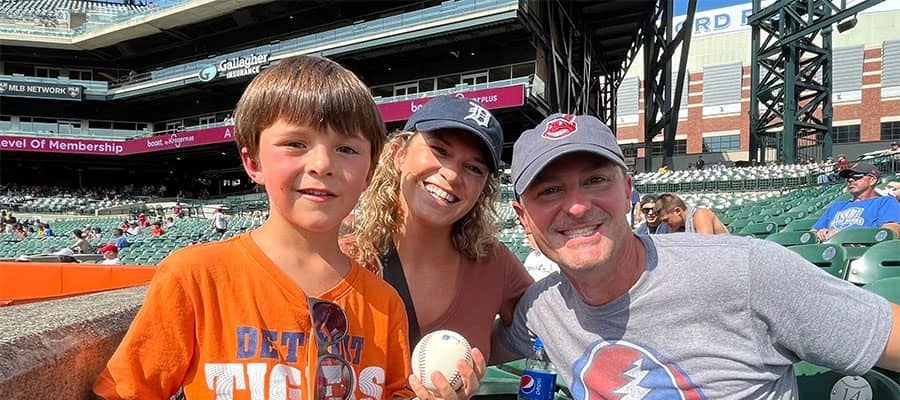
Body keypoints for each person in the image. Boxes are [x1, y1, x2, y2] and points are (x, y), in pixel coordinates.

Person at [494, 113, 900, 398]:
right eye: (549, 190)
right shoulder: (541, 310)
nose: (577, 206)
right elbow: (476, 348)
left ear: (629, 191)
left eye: (596, 180)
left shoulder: (747, 272)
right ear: (523, 218)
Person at [94, 55, 413, 400]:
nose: (322, 164)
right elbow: (126, 391)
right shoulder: (195, 277)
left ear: (368, 174)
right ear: (253, 162)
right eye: (296, 144)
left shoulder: (384, 304)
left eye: (346, 148)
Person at [349, 95, 530, 395]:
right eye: (439, 151)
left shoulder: (494, 262)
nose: (452, 174)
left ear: (484, 188)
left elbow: (547, 326)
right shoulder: (344, 254)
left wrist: (483, 352)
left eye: (474, 168)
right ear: (399, 154)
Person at [811, 162, 900, 241]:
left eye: (856, 176)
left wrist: (845, 235)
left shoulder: (886, 202)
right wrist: (818, 233)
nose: (850, 180)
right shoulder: (836, 206)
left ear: (872, 180)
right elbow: (812, 233)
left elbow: (890, 233)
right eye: (848, 177)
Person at [655, 192, 729, 234]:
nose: (666, 224)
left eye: (666, 220)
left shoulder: (701, 215)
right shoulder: (677, 227)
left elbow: (706, 246)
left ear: (677, 211)